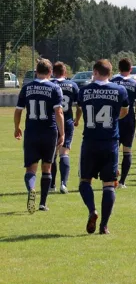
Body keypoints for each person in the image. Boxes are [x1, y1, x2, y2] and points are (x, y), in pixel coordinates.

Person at [76, 59, 129, 235]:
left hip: (90, 141)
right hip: (110, 142)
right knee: (109, 185)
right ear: (110, 73)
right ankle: (104, 226)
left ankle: (92, 210)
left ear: (95, 72)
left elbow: (81, 109)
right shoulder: (120, 90)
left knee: (84, 181)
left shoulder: (84, 91)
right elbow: (125, 111)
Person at [14, 59, 64, 213]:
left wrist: (17, 127)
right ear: (50, 72)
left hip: (32, 132)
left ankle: (31, 189)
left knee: (31, 169)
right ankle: (42, 203)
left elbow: (18, 110)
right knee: (47, 167)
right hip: (49, 132)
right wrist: (62, 133)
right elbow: (59, 112)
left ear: (36, 72)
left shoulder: (27, 88)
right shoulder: (55, 88)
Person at [111, 58, 136, 188]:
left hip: (113, 120)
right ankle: (122, 181)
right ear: (130, 69)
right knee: (127, 151)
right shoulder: (135, 85)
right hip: (129, 121)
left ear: (118, 68)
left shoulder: (112, 82)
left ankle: (113, 178)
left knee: (113, 150)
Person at [50, 61, 79, 194]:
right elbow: (79, 106)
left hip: (52, 121)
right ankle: (63, 184)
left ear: (53, 72)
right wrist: (77, 119)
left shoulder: (50, 85)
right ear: (65, 72)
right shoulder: (73, 85)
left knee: (53, 154)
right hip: (67, 121)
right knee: (64, 153)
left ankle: (51, 185)